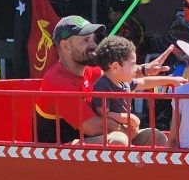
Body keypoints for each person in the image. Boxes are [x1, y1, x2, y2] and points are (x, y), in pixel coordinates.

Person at [36, 15, 173, 145]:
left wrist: (145, 69)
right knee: (118, 140)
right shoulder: (56, 80)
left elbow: (116, 72)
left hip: (87, 141)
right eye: (85, 40)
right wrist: (125, 126)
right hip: (61, 149)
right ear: (65, 46)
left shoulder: (90, 70)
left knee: (155, 136)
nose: (94, 45)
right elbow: (92, 127)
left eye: (92, 39)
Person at [91, 36, 186, 146]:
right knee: (120, 139)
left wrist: (171, 80)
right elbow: (102, 113)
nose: (135, 69)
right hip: (111, 134)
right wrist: (127, 118)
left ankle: (154, 162)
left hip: (130, 132)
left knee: (156, 135)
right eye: (132, 65)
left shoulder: (124, 82)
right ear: (116, 67)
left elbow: (144, 82)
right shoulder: (103, 85)